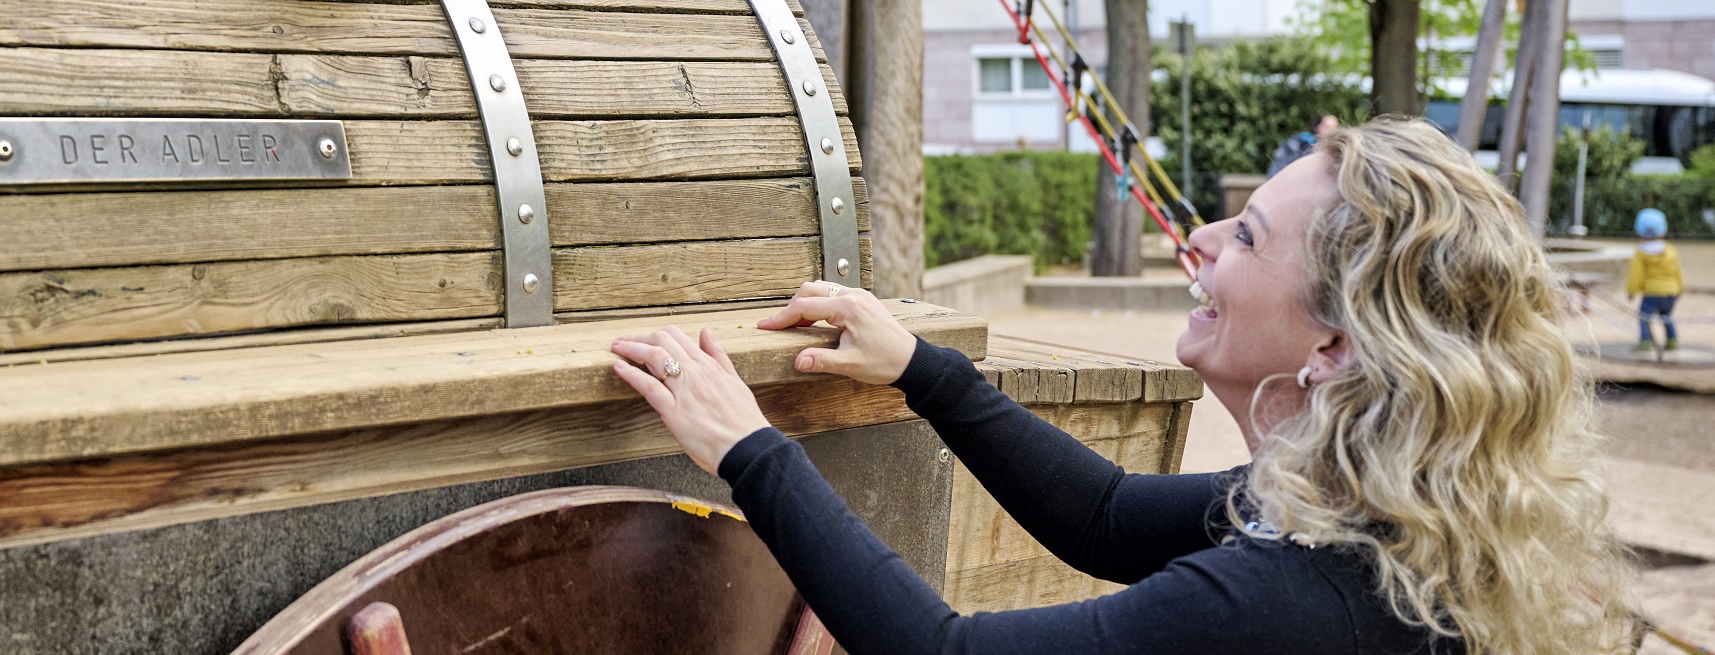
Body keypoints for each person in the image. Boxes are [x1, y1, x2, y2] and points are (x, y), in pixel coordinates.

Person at [611, 118, 1625, 655]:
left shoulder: (1293, 599)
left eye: (1247, 235)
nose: (1201, 238)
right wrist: (923, 368)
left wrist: (750, 448)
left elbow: (942, 653)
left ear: (1332, 347)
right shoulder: (1371, 516)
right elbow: (1101, 515)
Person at [1628, 207, 1684, 354]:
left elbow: (1636, 274)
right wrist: (1679, 289)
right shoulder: (1670, 250)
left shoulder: (1640, 253)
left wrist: (1632, 290)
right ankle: (1672, 340)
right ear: (1663, 230)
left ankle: (1645, 342)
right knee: (1666, 317)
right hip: (1670, 291)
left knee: (1643, 317)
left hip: (1652, 292)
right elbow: (1676, 272)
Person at [1267, 112, 1339, 176]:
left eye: (1334, 128)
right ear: (1317, 127)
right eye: (1327, 127)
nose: (1331, 131)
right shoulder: (1303, 142)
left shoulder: (1334, 148)